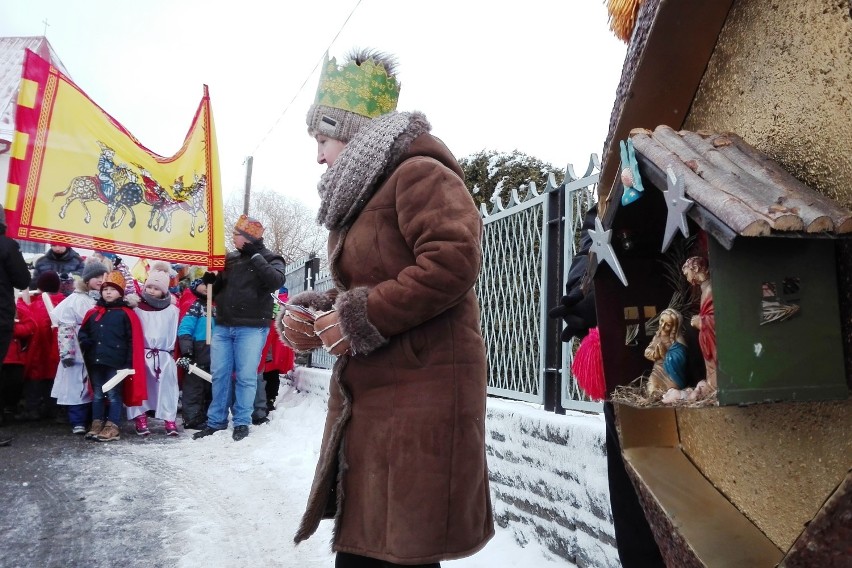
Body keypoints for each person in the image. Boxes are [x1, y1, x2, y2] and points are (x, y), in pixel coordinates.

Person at [278, 48, 494, 567]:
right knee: (374, 545)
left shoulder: (418, 172)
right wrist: (320, 310)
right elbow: (376, 279)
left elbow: (452, 262)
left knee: (398, 551)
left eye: (322, 140)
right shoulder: (366, 189)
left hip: (422, 391)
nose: (318, 155)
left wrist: (356, 319)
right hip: (381, 397)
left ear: (351, 133)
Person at [548, 205, 664, 567]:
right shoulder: (613, 196)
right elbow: (589, 253)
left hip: (693, 374)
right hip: (631, 378)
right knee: (639, 524)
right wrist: (586, 299)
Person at [193, 215, 285, 442]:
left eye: (236, 234)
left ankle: (242, 422)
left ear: (248, 237)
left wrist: (254, 255)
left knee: (245, 376)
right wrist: (208, 282)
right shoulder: (230, 260)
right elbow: (216, 288)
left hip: (252, 328)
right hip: (223, 326)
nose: (232, 237)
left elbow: (276, 281)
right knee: (219, 374)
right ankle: (216, 421)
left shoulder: (271, 258)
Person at [78, 270, 146, 442]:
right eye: (105, 288)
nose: (108, 292)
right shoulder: (94, 313)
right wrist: (85, 340)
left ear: (121, 293)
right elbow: (83, 331)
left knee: (114, 394)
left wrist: (129, 362)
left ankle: (112, 425)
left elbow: (132, 340)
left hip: (117, 362)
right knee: (98, 394)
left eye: (113, 289)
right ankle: (97, 423)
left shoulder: (125, 314)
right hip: (96, 360)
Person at [51, 257, 110, 435]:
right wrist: (67, 352)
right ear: (86, 279)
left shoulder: (106, 298)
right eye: (96, 276)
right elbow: (65, 327)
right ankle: (77, 420)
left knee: (97, 384)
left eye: (103, 276)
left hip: (98, 348)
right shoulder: (76, 300)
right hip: (78, 349)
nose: (100, 280)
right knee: (77, 385)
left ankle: (96, 419)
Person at [126, 262, 180, 436]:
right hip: (143, 353)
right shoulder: (137, 309)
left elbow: (174, 332)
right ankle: (140, 417)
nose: (151, 291)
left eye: (156, 288)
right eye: (148, 287)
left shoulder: (172, 310)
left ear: (164, 291)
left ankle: (169, 419)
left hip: (163, 354)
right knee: (141, 387)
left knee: (167, 387)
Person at [17, 271, 64, 420]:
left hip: (37, 353)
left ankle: (33, 410)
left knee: (34, 385)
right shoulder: (64, 302)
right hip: (56, 354)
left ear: (40, 287)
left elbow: (30, 322)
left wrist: (22, 302)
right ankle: (54, 410)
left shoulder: (36, 305)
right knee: (53, 383)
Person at [176, 278, 213, 429]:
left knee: (211, 388)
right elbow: (185, 329)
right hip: (198, 352)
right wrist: (187, 351)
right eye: (203, 284)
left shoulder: (219, 306)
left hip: (216, 352)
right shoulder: (195, 306)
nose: (207, 287)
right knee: (193, 388)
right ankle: (192, 418)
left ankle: (209, 416)